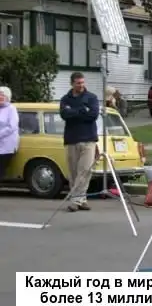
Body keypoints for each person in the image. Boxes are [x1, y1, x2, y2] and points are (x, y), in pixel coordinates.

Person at [60, 72, 100, 212]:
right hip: (71, 139)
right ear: (72, 83)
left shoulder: (92, 98)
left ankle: (75, 200)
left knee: (85, 170)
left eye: (82, 82)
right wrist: (82, 110)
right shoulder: (65, 99)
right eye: (78, 83)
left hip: (88, 139)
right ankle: (81, 200)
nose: (81, 85)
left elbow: (93, 115)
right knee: (73, 173)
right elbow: (64, 114)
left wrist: (73, 112)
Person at [0, 86, 19, 179]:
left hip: (7, 146)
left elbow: (12, 127)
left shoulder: (11, 109)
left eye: (2, 95)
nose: (0, 97)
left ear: (7, 97)